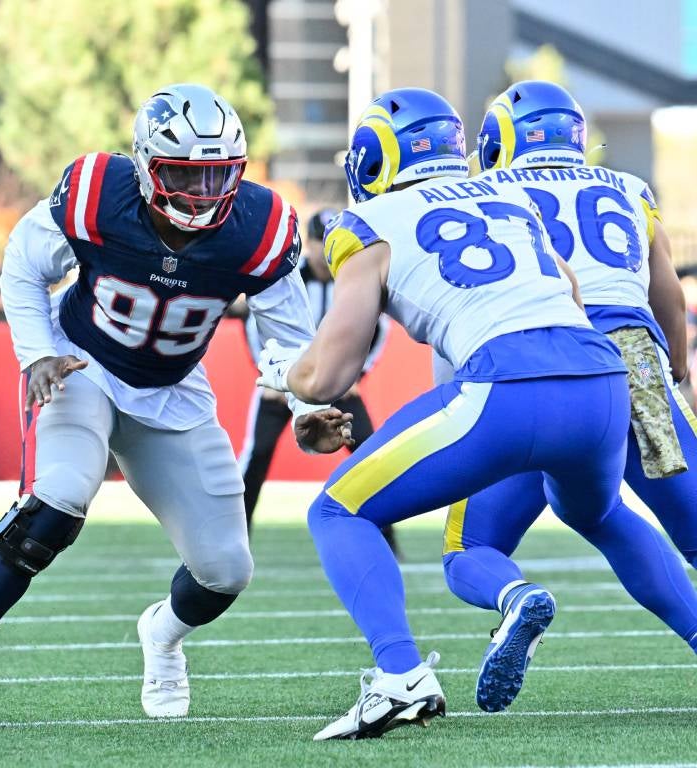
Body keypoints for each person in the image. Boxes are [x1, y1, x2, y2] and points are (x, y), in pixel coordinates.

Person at [0, 83, 351, 730]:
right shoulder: (97, 193)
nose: (203, 193)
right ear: (145, 166)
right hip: (82, 364)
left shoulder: (261, 227)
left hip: (171, 389)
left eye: (219, 175)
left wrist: (304, 397)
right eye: (185, 176)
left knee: (225, 570)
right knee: (56, 499)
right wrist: (36, 355)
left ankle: (162, 633)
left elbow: (290, 340)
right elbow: (24, 267)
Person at [257, 87, 697, 741]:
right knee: (602, 514)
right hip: (606, 377)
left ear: (373, 157)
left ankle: (403, 674)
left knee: (340, 510)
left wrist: (288, 377)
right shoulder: (511, 200)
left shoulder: (365, 224)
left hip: (507, 382)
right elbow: (574, 291)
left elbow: (331, 371)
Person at [436, 81, 697, 713]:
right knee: (660, 523)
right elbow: (667, 294)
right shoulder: (628, 189)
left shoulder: (490, 194)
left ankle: (516, 597)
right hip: (634, 363)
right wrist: (678, 373)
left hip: (539, 363)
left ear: (501, 141)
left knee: (471, 547)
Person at [238, 207, 394, 546]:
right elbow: (257, 326)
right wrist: (274, 377)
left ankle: (386, 537)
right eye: (317, 242)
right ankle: (235, 537)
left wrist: (357, 374)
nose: (324, 253)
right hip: (285, 384)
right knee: (257, 453)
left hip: (335, 385)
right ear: (306, 243)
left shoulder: (350, 277)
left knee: (369, 453)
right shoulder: (290, 276)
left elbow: (378, 328)